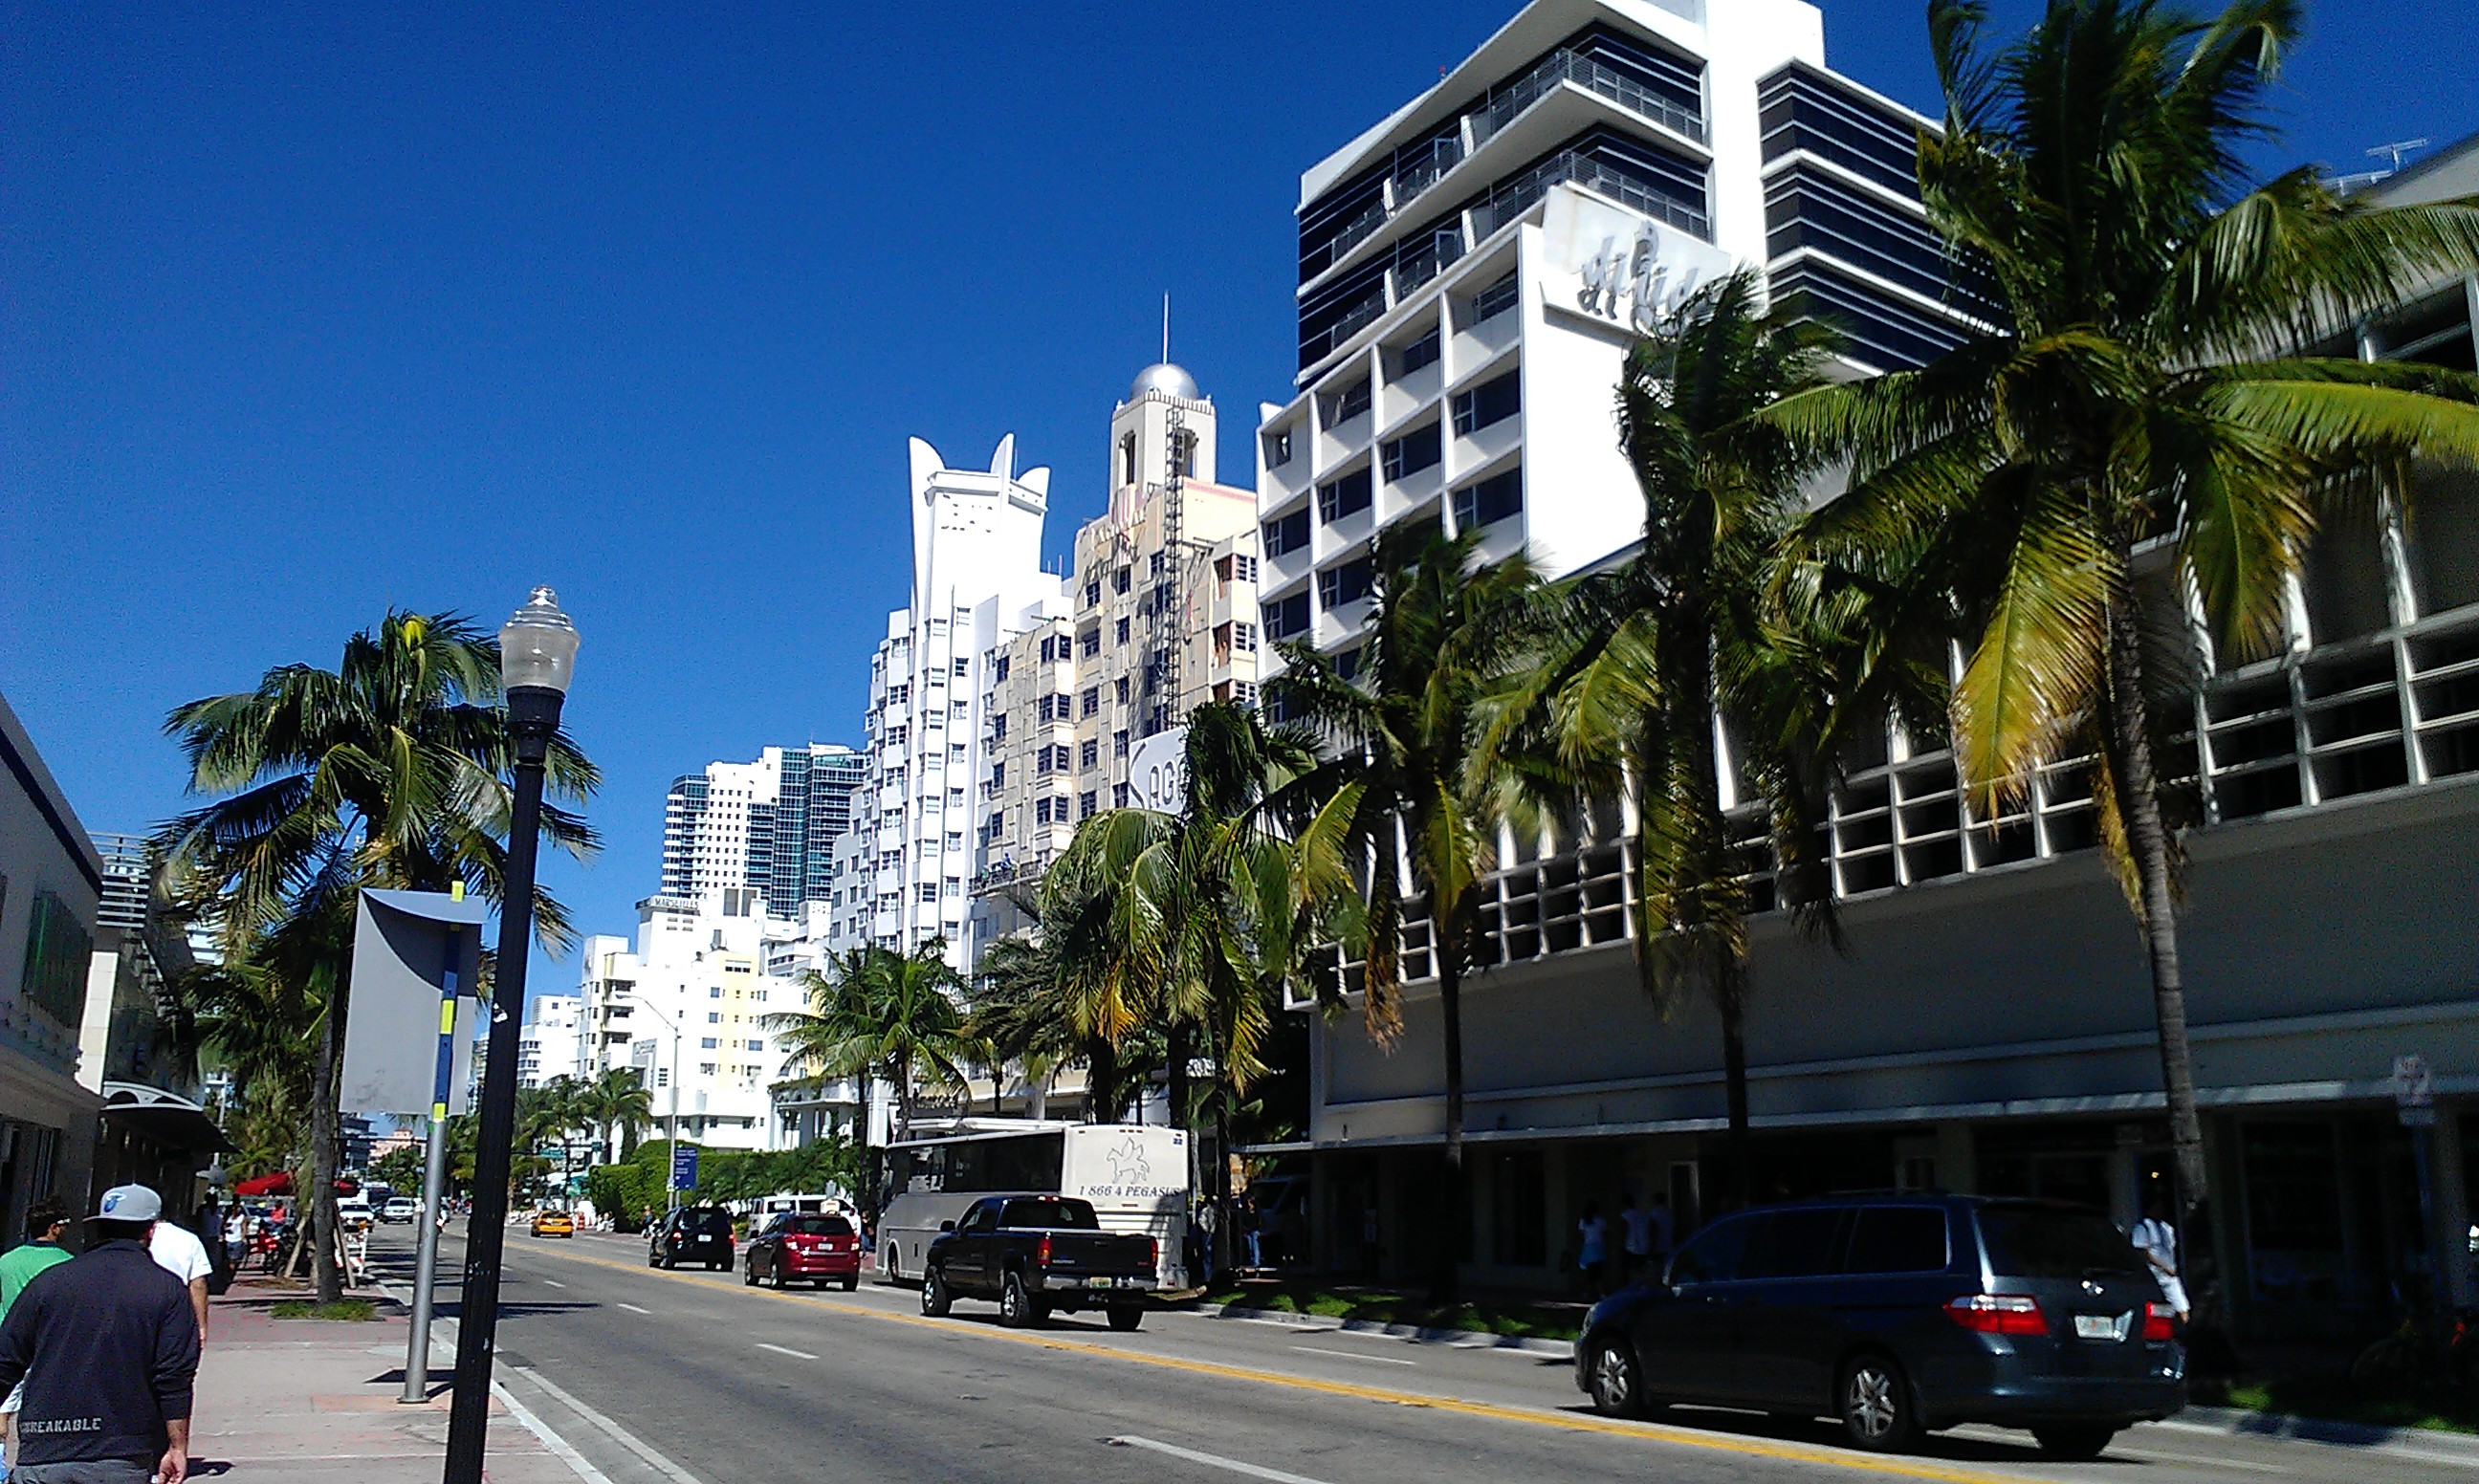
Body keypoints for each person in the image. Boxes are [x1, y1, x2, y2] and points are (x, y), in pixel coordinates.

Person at [0, 1184, 200, 1484]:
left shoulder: (50, 1282)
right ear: (150, 1230)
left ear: (98, 1228)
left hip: (42, 1453)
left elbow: (5, 1360)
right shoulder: (166, 1289)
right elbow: (173, 1377)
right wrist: (177, 1447)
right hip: (119, 1457)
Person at [0, 1199, 75, 1468]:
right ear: (53, 1228)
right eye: (64, 1225)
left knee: (2, 1411)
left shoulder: (5, 1261)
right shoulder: (68, 1265)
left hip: (8, 1346)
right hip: (49, 1350)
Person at [148, 1207, 215, 1354]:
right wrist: (201, 1327)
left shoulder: (140, 1237)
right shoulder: (188, 1239)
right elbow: (198, 1284)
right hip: (176, 1309)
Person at [2132, 1192, 2188, 1322]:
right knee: (2153, 1310)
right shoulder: (2143, 1227)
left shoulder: (2166, 1228)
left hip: (2170, 1275)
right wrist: (2162, 1267)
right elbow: (2142, 1251)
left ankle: (2184, 1331)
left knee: (2182, 1306)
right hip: (2154, 1274)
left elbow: (2171, 1249)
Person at [1576, 1202, 1611, 1299]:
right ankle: (1599, 1292)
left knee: (1592, 1271)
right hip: (1599, 1247)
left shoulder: (1583, 1221)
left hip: (1589, 1247)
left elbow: (1581, 1235)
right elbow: (1605, 1233)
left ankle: (1590, 1292)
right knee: (1596, 1271)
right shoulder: (1601, 1220)